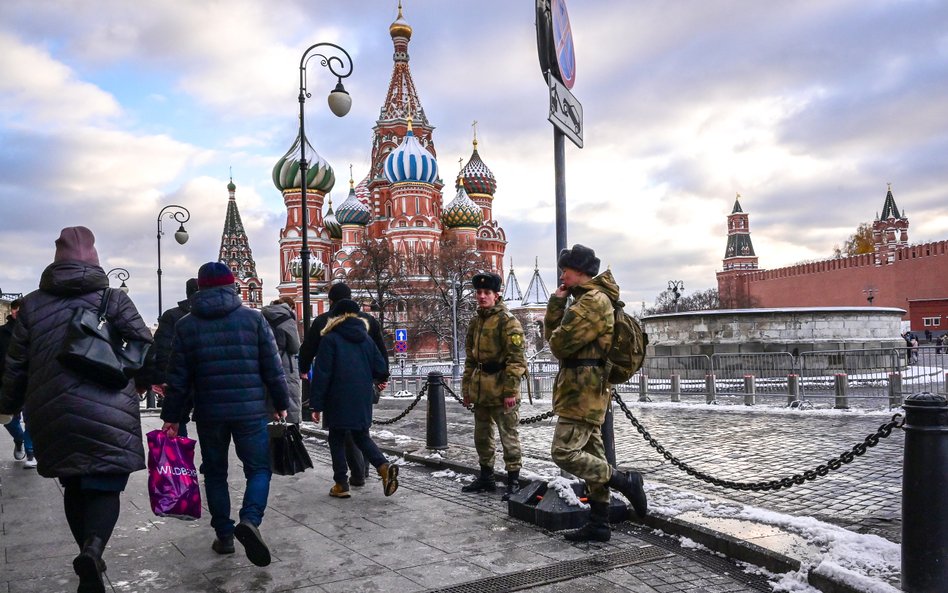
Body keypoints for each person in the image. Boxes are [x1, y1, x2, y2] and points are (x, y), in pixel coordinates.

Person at [0, 226, 153, 593]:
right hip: (109, 405)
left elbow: (16, 363)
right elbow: (144, 343)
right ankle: (94, 549)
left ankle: (87, 555)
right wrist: (137, 379)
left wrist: (7, 406)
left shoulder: (33, 304)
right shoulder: (113, 299)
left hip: (51, 409)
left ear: (56, 259)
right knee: (106, 486)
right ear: (95, 259)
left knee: (73, 482)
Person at [159, 262, 289, 568]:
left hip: (209, 413)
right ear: (233, 286)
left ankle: (225, 535)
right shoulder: (253, 320)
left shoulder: (186, 325)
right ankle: (250, 520)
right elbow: (273, 367)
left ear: (200, 289)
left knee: (215, 472)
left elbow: (177, 378)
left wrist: (172, 416)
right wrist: (281, 402)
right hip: (250, 410)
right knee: (258, 468)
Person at [544, 244, 647, 542]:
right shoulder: (582, 300)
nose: (562, 274)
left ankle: (626, 482)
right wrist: (557, 302)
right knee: (592, 454)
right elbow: (555, 338)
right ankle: (599, 522)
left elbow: (558, 345)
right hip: (581, 385)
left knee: (563, 452)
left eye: (566, 269)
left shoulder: (593, 302)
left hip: (583, 389)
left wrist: (559, 316)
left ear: (580, 272)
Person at [299, 282, 389, 486]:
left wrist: (306, 375)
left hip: (336, 391)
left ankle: (344, 481)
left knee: (338, 435)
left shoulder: (325, 326)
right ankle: (369, 470)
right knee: (361, 431)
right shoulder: (368, 323)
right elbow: (381, 353)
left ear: (332, 303)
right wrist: (381, 378)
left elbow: (313, 358)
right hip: (363, 386)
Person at [460, 272, 527, 501]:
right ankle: (486, 477)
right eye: (478, 292)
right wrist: (467, 389)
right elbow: (470, 359)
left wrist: (511, 391)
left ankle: (513, 480)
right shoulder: (476, 321)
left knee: (508, 435)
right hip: (480, 388)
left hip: (501, 386)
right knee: (482, 436)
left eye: (486, 293)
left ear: (496, 295)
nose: (481, 296)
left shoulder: (508, 321)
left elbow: (516, 360)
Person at [146, 278, 198, 437]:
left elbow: (162, 350)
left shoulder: (172, 316)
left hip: (179, 379)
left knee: (177, 420)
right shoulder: (214, 314)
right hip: (207, 379)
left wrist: (161, 378)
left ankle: (179, 458)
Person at [1, 298, 35, 468]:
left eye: (20, 309)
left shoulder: (35, 332)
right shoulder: (2, 333)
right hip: (8, 381)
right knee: (9, 418)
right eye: (14, 308)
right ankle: (19, 439)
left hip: (31, 380)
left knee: (30, 417)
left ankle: (30, 453)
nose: (17, 311)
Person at [261, 296, 302, 424]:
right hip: (285, 363)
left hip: (264, 362)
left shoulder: (262, 317)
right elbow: (295, 347)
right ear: (291, 307)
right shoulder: (288, 320)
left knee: (267, 397)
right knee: (289, 396)